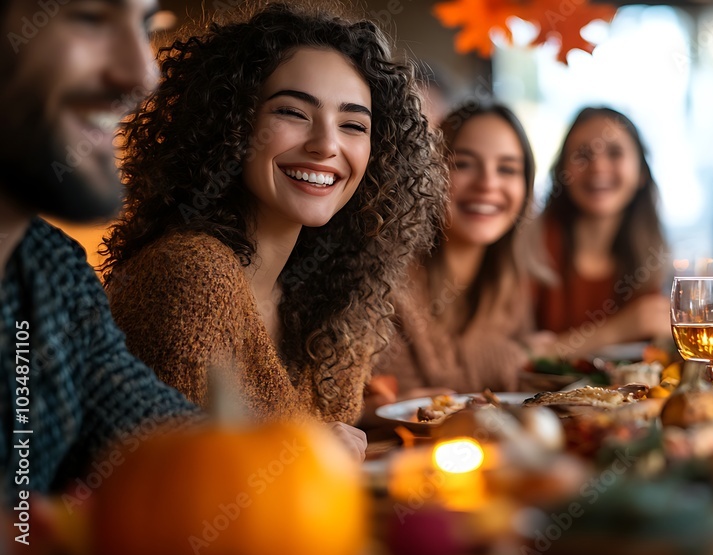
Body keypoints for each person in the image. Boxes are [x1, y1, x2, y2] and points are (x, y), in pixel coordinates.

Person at [101, 3, 447, 457]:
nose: (326, 144)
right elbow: (166, 480)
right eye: (293, 112)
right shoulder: (194, 275)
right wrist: (299, 451)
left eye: (352, 124)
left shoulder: (331, 299)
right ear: (232, 123)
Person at [0, 0, 199, 506]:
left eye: (145, 24)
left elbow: (162, 441)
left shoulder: (52, 272)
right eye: (88, 15)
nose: (143, 75)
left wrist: (287, 455)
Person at [372, 105, 552, 398]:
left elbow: (524, 389)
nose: (488, 184)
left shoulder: (511, 279)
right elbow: (414, 398)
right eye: (464, 164)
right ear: (431, 173)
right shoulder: (388, 277)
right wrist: (523, 352)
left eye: (507, 169)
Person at [534, 107, 671, 358]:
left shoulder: (650, 255)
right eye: (582, 155)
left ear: (640, 172)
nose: (597, 166)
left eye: (615, 153)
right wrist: (621, 328)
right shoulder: (532, 247)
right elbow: (519, 354)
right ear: (562, 172)